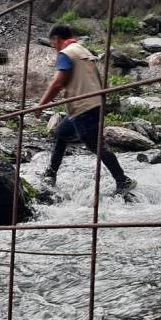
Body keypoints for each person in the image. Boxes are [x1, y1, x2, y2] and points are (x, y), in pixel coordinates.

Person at [35, 24, 137, 195]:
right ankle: (51, 173)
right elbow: (97, 79)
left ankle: (123, 180)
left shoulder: (65, 53)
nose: (53, 46)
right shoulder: (83, 51)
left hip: (83, 107)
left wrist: (41, 104)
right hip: (92, 104)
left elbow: (59, 82)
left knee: (97, 146)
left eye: (52, 42)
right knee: (61, 132)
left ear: (57, 39)